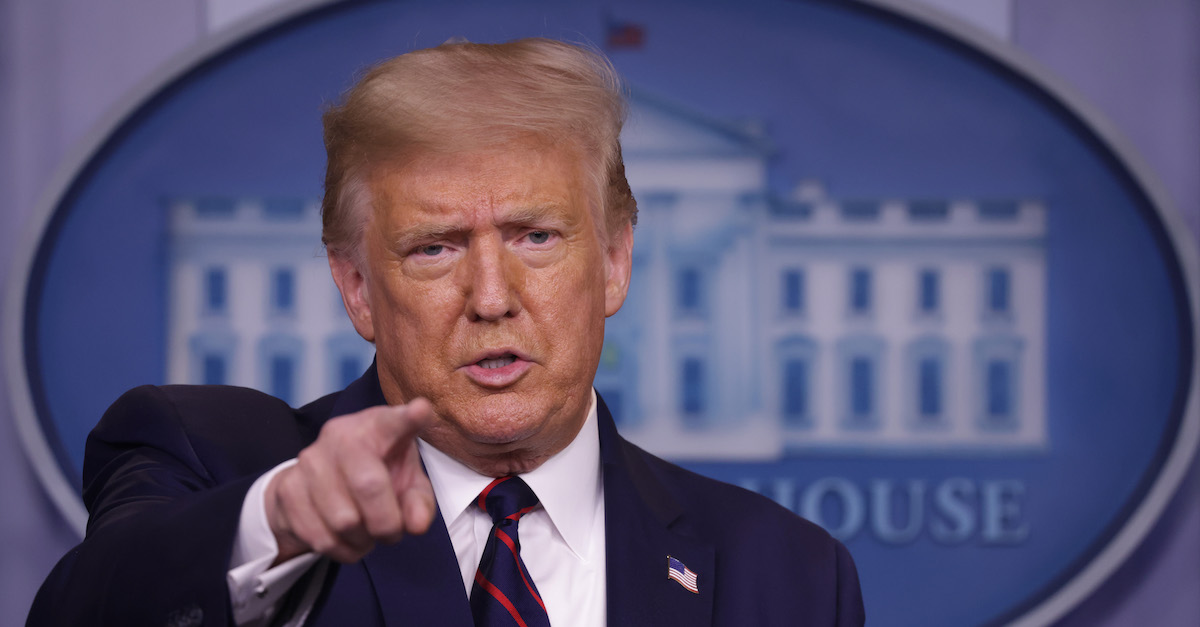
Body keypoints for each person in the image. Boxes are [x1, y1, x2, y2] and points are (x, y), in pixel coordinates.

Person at [28, 38, 864, 626]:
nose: (491, 297)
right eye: (434, 248)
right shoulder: (211, 464)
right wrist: (280, 524)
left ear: (613, 261)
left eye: (536, 236)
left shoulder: (788, 574)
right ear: (357, 286)